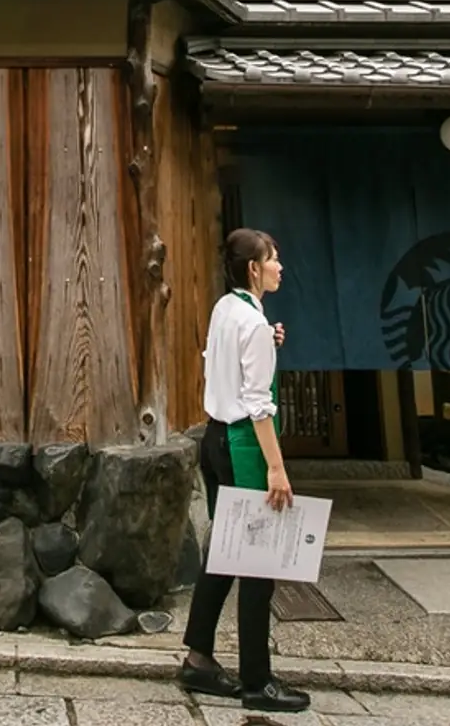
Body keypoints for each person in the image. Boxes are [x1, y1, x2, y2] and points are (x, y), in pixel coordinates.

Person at [176, 228, 311, 714]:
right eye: (273, 259)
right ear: (254, 268)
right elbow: (259, 406)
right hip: (243, 443)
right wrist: (277, 468)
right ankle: (258, 679)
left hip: (213, 438)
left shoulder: (226, 309)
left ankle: (198, 659)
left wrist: (267, 339)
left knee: (224, 551)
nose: (280, 266)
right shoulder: (252, 324)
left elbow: (220, 361)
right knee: (259, 565)